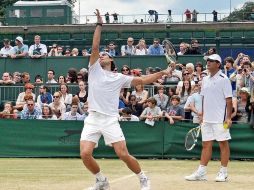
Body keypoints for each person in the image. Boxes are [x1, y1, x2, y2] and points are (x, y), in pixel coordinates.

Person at [80, 9, 171, 190]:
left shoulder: (120, 77)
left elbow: (143, 80)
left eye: (106, 54)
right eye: (101, 55)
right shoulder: (94, 69)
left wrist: (163, 73)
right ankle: (101, 180)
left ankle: (143, 177)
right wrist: (99, 25)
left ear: (112, 60)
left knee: (123, 154)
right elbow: (95, 47)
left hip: (110, 119)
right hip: (92, 118)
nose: (102, 55)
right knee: (85, 154)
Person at [185, 54, 233, 182]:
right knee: (206, 145)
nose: (208, 63)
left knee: (223, 143)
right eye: (208, 61)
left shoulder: (224, 79)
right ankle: (201, 172)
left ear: (218, 64)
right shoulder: (205, 79)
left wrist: (228, 117)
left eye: (212, 61)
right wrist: (202, 115)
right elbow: (204, 98)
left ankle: (223, 172)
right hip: (207, 119)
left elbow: (229, 100)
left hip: (220, 119)